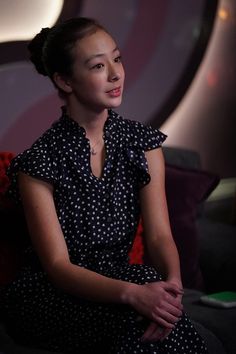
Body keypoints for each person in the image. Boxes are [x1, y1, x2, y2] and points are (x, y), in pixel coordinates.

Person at [0, 17, 208, 353]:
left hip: (125, 278)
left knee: (153, 308)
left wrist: (171, 287)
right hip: (55, 296)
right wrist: (134, 293)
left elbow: (158, 236)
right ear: (65, 80)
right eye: (98, 65)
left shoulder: (143, 145)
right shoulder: (38, 162)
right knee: (136, 314)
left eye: (117, 59)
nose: (115, 74)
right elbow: (58, 267)